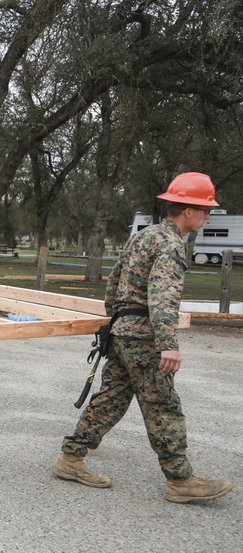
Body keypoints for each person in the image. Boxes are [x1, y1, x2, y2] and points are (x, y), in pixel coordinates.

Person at [53, 172, 232, 504]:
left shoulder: (143, 236)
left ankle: (71, 459)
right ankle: (180, 481)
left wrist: (115, 322)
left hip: (122, 334)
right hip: (144, 340)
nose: (208, 216)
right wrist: (168, 344)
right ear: (188, 210)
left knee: (110, 400)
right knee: (164, 407)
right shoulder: (171, 244)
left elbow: (113, 282)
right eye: (205, 210)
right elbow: (162, 297)